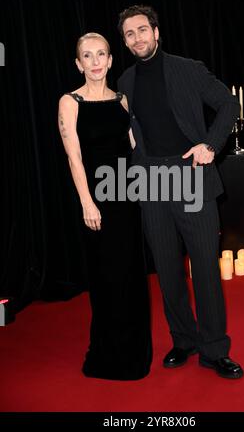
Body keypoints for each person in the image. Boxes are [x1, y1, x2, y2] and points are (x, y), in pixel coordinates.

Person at [117, 5, 244, 379]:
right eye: (129, 34)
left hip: (191, 171)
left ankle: (214, 349)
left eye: (142, 29)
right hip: (151, 179)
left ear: (156, 32)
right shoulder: (124, 82)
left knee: (205, 266)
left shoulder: (189, 68)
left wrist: (210, 144)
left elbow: (227, 103)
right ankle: (183, 339)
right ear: (125, 42)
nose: (137, 38)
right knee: (168, 271)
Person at [58, 32, 152, 380]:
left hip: (127, 198)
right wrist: (87, 202)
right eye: (87, 55)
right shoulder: (70, 102)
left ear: (111, 60)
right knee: (105, 276)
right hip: (96, 201)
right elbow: (74, 157)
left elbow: (133, 150)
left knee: (130, 273)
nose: (95, 61)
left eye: (101, 54)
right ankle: (108, 354)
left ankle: (134, 351)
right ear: (78, 63)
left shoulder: (122, 100)